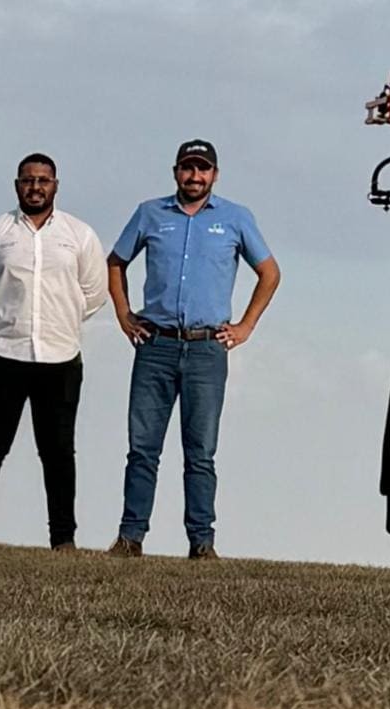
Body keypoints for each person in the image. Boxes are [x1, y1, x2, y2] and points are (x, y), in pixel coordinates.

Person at [103, 138, 280, 559]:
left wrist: (246, 326)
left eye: (203, 169)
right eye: (188, 168)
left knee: (200, 452)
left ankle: (202, 543)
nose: (195, 176)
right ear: (176, 172)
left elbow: (269, 272)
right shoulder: (150, 212)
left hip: (206, 350)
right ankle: (131, 538)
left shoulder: (236, 218)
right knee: (142, 448)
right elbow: (116, 262)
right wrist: (124, 315)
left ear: (215, 174)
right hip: (156, 345)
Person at [0, 153, 111, 548]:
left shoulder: (79, 235)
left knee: (58, 452)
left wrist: (64, 320)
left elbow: (94, 292)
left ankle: (63, 539)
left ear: (56, 185)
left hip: (59, 357)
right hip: (2, 354)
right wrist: (3, 317)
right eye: (28, 180)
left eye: (43, 180)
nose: (36, 187)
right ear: (17, 185)